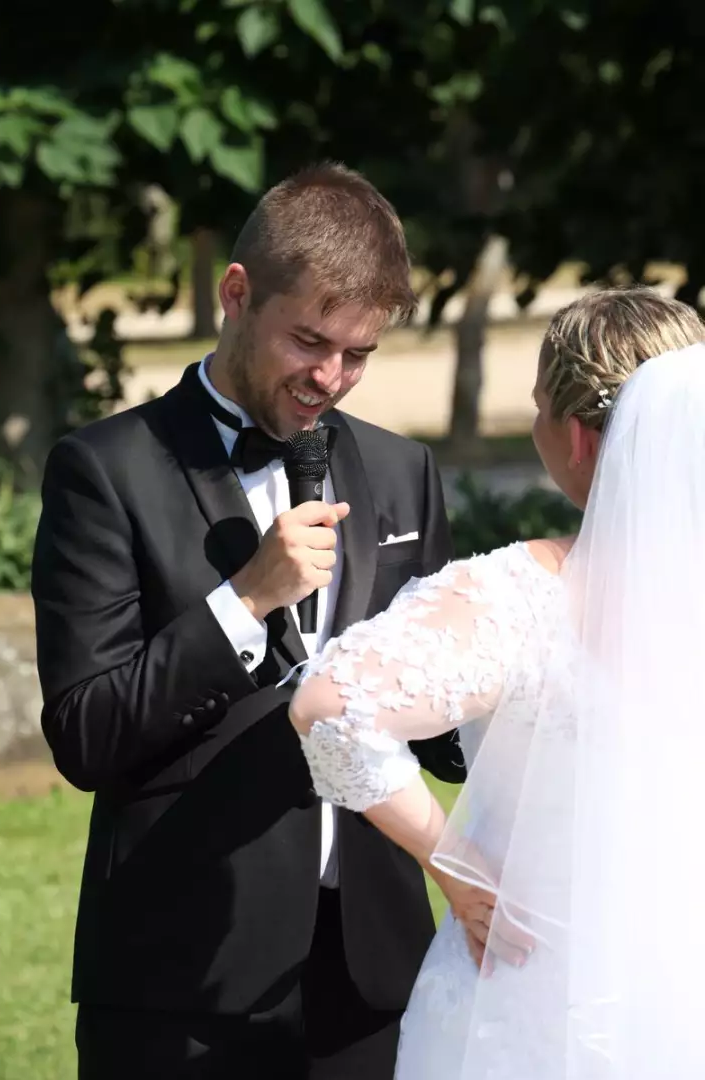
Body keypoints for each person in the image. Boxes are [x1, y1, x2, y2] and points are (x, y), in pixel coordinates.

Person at [31, 162, 466, 1080]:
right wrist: (247, 601)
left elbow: (443, 728)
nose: (331, 378)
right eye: (310, 341)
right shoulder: (104, 471)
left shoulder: (401, 472)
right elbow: (86, 733)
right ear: (238, 293)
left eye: (359, 355)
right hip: (179, 980)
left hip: (372, 975)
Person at [290, 286, 705, 1079]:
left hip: (529, 988)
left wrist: (451, 858)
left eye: (538, 405)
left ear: (577, 439)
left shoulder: (522, 595)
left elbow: (328, 704)